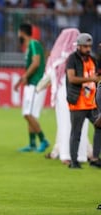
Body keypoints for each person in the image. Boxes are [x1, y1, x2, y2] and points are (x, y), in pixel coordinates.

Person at [37, 28, 92, 165]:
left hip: (63, 92)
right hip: (81, 92)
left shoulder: (57, 57)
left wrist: (38, 88)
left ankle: (66, 155)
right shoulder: (82, 56)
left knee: (65, 124)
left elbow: (48, 76)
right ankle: (80, 155)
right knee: (81, 124)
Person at [65, 33, 101, 169]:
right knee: (76, 132)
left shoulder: (92, 59)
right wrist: (91, 79)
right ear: (78, 46)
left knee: (99, 127)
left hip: (92, 103)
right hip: (78, 102)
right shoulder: (72, 59)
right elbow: (72, 78)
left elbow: (97, 76)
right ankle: (74, 161)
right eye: (85, 46)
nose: (88, 49)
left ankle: (95, 158)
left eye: (89, 46)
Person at [14, 23, 49, 153]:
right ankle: (32, 144)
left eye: (19, 33)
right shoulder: (29, 46)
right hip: (31, 83)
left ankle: (43, 140)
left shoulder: (33, 44)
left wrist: (24, 77)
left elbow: (36, 63)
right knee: (30, 114)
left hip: (36, 83)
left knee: (27, 114)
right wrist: (23, 79)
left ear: (22, 32)